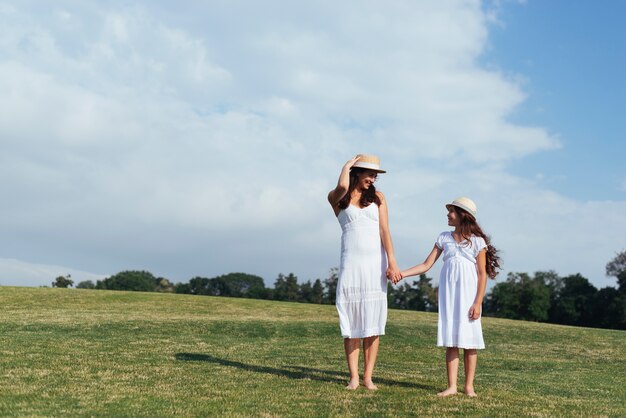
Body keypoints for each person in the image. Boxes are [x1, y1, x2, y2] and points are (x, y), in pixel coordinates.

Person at [395, 197, 501, 397]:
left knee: (470, 342)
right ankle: (452, 386)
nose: (447, 215)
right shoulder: (444, 238)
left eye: (451, 211)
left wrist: (478, 302)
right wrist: (402, 273)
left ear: (462, 215)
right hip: (449, 296)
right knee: (452, 340)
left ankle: (468, 387)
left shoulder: (478, 242)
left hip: (469, 297)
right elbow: (426, 265)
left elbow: (481, 274)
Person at [327, 154, 401, 390]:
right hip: (351, 264)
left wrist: (392, 263)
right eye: (369, 173)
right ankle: (354, 377)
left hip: (374, 266)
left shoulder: (378, 197)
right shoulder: (338, 199)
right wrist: (346, 166)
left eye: (375, 175)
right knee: (351, 322)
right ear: (356, 172)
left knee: (372, 321)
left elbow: (385, 231)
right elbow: (341, 186)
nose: (373, 178)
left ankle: (368, 377)